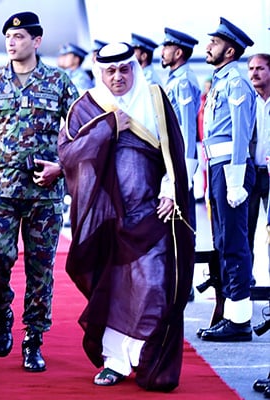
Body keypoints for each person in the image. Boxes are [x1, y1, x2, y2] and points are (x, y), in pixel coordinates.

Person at [58, 41, 194, 391]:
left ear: (135, 67)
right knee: (114, 290)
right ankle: (116, 361)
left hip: (151, 216)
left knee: (153, 287)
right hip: (106, 220)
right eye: (110, 71)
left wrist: (170, 191)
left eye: (124, 69)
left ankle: (146, 358)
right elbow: (69, 155)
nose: (118, 77)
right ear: (100, 72)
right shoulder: (86, 106)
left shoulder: (155, 100)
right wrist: (108, 128)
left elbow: (175, 154)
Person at [0, 11, 78, 373]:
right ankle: (1, 311)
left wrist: (62, 167)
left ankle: (33, 338)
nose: (12, 42)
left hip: (44, 192)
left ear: (36, 41)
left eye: (19, 36)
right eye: (8, 37)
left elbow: (81, 136)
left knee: (41, 269)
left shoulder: (59, 82)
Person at [198, 17, 256, 343]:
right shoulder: (222, 79)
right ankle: (233, 315)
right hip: (217, 166)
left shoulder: (236, 82)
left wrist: (235, 179)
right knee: (223, 242)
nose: (208, 46)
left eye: (215, 43)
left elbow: (240, 133)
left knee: (234, 243)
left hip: (230, 168)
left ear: (229, 50)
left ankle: (240, 320)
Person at [160, 27, 201, 230]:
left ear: (178, 53)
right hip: (172, 152)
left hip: (179, 155)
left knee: (183, 218)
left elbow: (188, 127)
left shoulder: (183, 82)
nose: (162, 51)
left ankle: (186, 260)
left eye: (167, 47)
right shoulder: (175, 79)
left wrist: (186, 166)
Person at [247, 53, 270, 266]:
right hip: (251, 173)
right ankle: (246, 283)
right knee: (246, 229)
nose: (254, 73)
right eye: (251, 68)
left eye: (260, 68)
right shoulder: (246, 101)